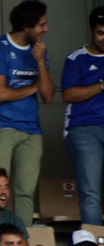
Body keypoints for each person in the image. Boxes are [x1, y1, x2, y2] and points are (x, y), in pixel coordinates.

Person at [0, 1, 55, 226]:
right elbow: (1, 94)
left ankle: (22, 240)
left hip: (32, 130)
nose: (46, 29)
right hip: (0, 125)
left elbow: (48, 96)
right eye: (41, 25)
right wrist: (33, 87)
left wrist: (40, 63)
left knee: (25, 191)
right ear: (27, 26)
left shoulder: (40, 50)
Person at [64, 9, 104, 226]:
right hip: (84, 128)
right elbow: (68, 94)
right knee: (91, 192)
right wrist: (101, 86)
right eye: (101, 33)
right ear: (91, 31)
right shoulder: (77, 58)